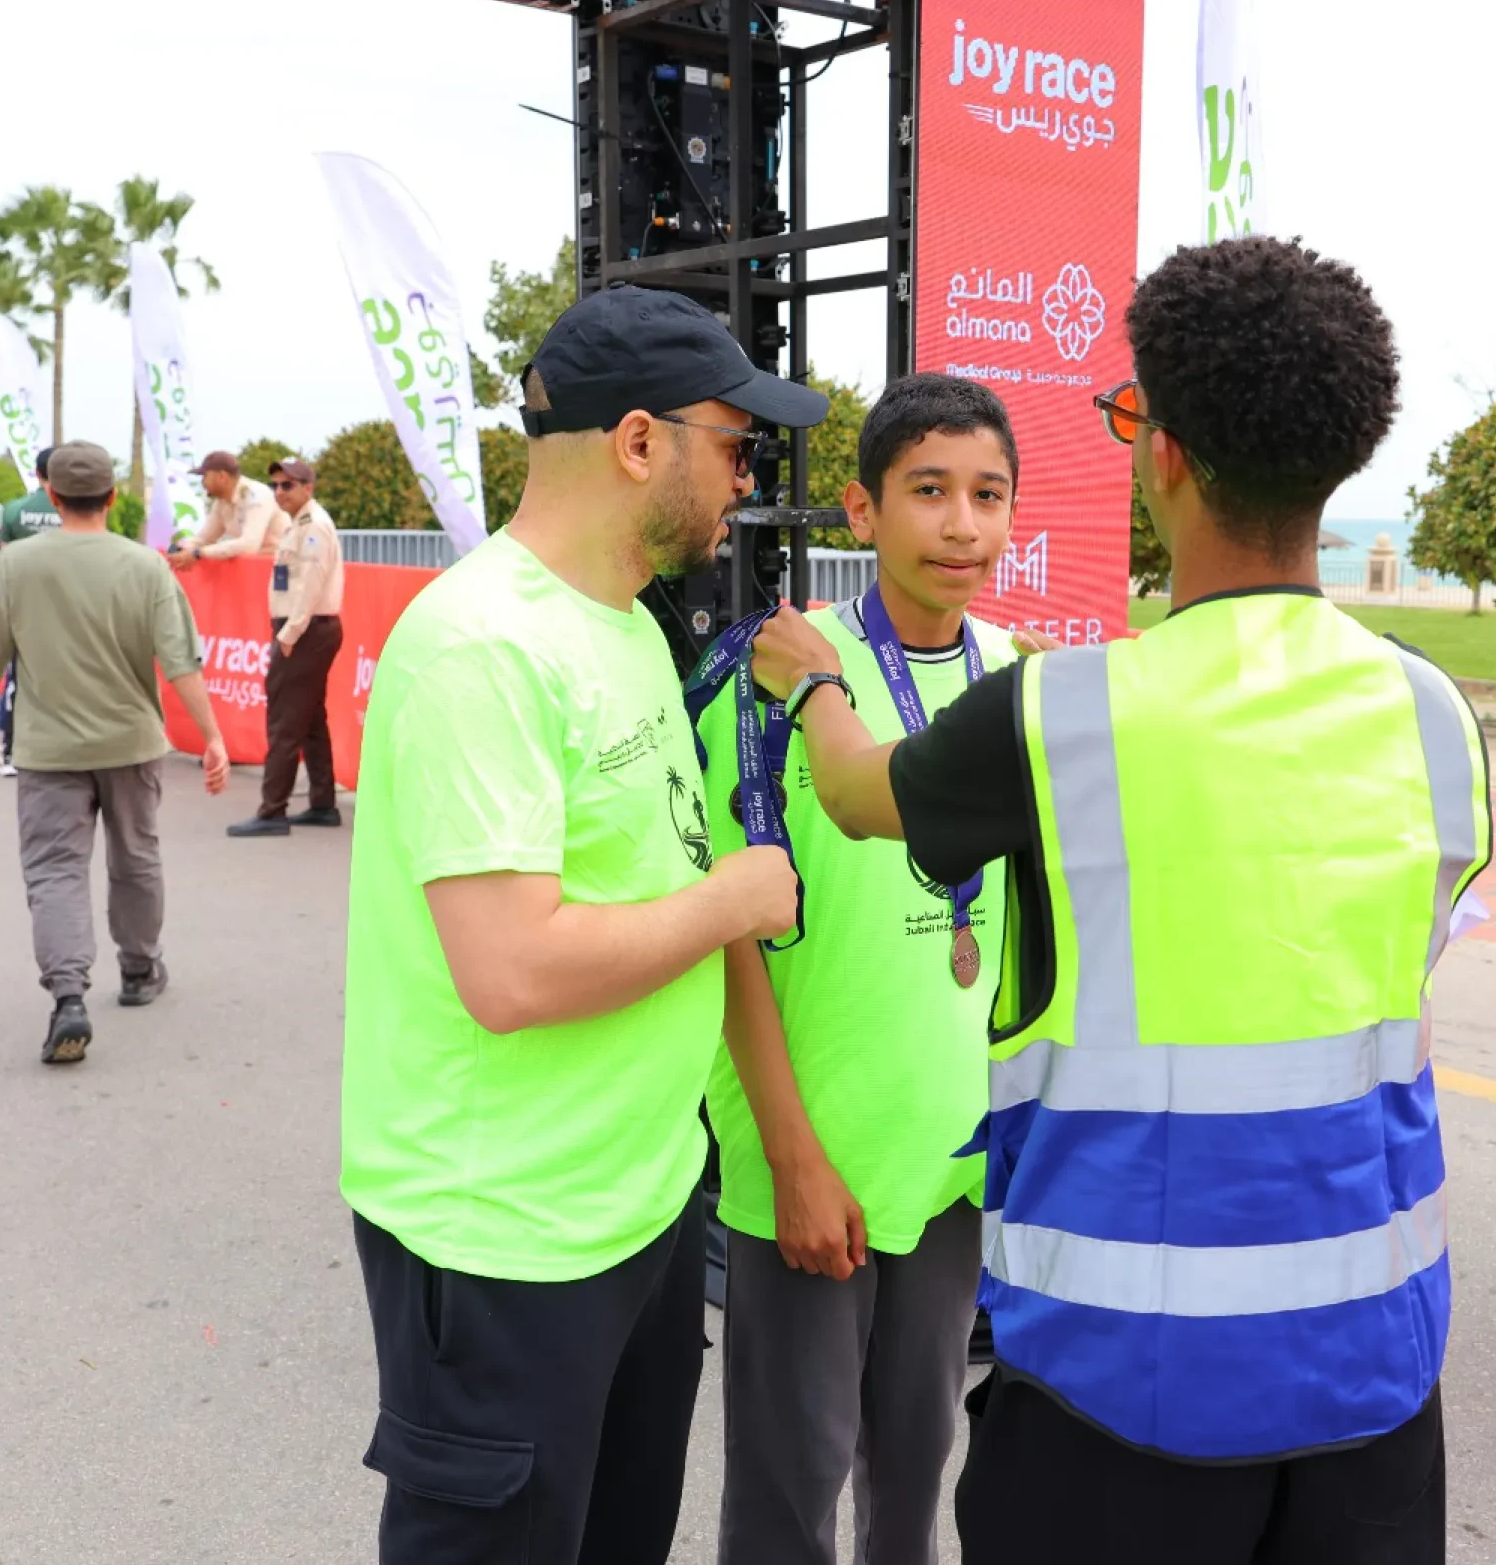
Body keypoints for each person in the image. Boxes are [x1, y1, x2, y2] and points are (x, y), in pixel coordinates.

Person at [747, 236, 1493, 1565]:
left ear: (1164, 456)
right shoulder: (1429, 711)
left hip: (1125, 1387)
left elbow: (857, 794)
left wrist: (809, 680)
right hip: (1374, 1371)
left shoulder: (1062, 712)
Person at [339, 284, 824, 1563]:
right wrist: (732, 896)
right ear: (640, 442)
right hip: (504, 1240)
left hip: (639, 1210)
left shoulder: (623, 627)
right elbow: (508, 970)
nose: (745, 483)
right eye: (736, 445)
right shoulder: (481, 645)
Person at [700, 375, 1032, 1565]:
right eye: (928, 490)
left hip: (947, 1161)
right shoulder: (777, 673)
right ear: (861, 509)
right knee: (788, 1498)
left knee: (913, 1480)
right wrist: (790, 1155)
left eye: (987, 495)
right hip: (812, 1159)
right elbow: (728, 931)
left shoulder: (1015, 678)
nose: (961, 525)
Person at [0, 441, 234, 1065]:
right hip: (131, 743)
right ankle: (139, 969)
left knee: (55, 869)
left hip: (48, 748)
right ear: (112, 496)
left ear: (51, 496)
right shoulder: (146, 567)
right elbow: (180, 662)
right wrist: (213, 736)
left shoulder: (15, 565)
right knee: (137, 858)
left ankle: (68, 995)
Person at [228, 458, 347, 838]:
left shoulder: (314, 526)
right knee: (309, 720)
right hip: (303, 628)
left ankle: (272, 810)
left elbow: (312, 584)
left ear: (307, 488)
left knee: (284, 720)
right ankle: (322, 804)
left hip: (305, 629)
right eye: (275, 485)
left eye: (288, 485)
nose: (279, 492)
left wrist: (290, 635)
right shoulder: (297, 524)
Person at [0, 445, 62, 777]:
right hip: (68, 608)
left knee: (17, 679)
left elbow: (2, 561)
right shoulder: (76, 512)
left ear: (37, 473)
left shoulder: (14, 511)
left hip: (22, 607)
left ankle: (10, 751)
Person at [167, 450, 285, 568]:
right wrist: (182, 548)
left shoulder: (256, 494)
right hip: (256, 569)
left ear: (222, 476)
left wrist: (199, 553)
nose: (202, 482)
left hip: (280, 569)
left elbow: (249, 545)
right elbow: (203, 538)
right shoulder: (222, 502)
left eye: (205, 476)